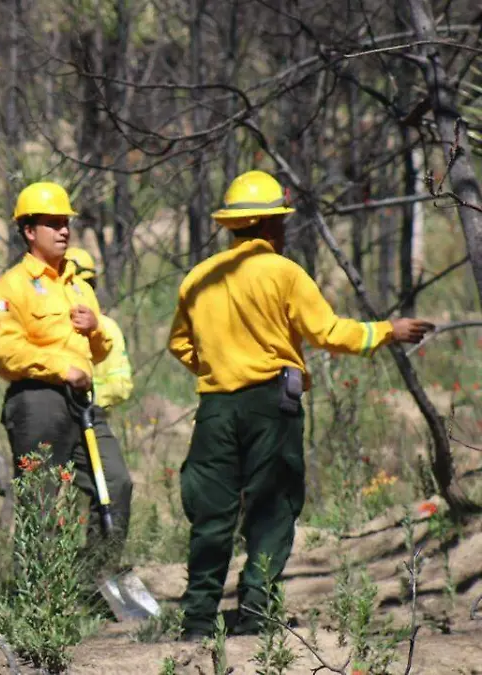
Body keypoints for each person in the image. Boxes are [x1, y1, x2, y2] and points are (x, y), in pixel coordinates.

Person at [168, 170, 435, 639]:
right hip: (272, 406)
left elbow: (179, 345)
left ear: (233, 224)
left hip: (214, 408)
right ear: (272, 226)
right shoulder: (284, 273)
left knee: (212, 514)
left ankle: (196, 621)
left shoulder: (198, 278)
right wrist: (386, 331)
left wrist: (219, 366)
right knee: (271, 510)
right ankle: (254, 615)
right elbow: (329, 333)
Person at [0, 182, 128, 570]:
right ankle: (40, 598)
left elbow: (98, 352)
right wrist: (61, 368)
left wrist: (95, 328)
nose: (64, 230)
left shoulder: (79, 286)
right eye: (53, 223)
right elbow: (7, 353)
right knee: (43, 499)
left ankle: (95, 580)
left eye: (66, 223)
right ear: (30, 231)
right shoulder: (11, 285)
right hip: (38, 400)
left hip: (82, 400)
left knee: (114, 484)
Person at [65, 247, 135, 559]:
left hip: (90, 418)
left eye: (88, 286)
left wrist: (92, 397)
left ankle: (99, 568)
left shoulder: (107, 330)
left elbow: (121, 384)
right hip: (52, 414)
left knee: (116, 484)